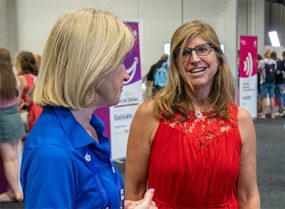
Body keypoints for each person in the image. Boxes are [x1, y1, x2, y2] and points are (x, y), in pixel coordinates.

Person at [20, 8, 156, 209]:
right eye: (119, 62)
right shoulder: (53, 154)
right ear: (92, 66)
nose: (127, 75)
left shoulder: (88, 127)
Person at [125, 20, 260, 209]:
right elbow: (135, 192)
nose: (194, 58)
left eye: (203, 49)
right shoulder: (150, 115)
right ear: (176, 63)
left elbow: (248, 194)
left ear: (219, 58)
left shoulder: (241, 120)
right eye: (185, 53)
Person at [0, 48, 25, 202]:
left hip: (3, 119)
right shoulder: (16, 79)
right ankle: (16, 190)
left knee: (8, 159)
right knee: (14, 157)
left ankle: (15, 192)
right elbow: (17, 101)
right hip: (15, 117)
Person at [15, 51, 42, 132]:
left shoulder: (21, 79)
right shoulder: (36, 78)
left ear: (20, 63)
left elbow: (18, 103)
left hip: (32, 113)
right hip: (41, 111)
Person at [259, 49, 277, 119]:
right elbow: (274, 70)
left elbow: (258, 70)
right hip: (272, 82)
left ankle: (263, 114)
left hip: (264, 82)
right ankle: (273, 114)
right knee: (272, 97)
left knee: (264, 98)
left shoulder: (262, 61)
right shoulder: (274, 62)